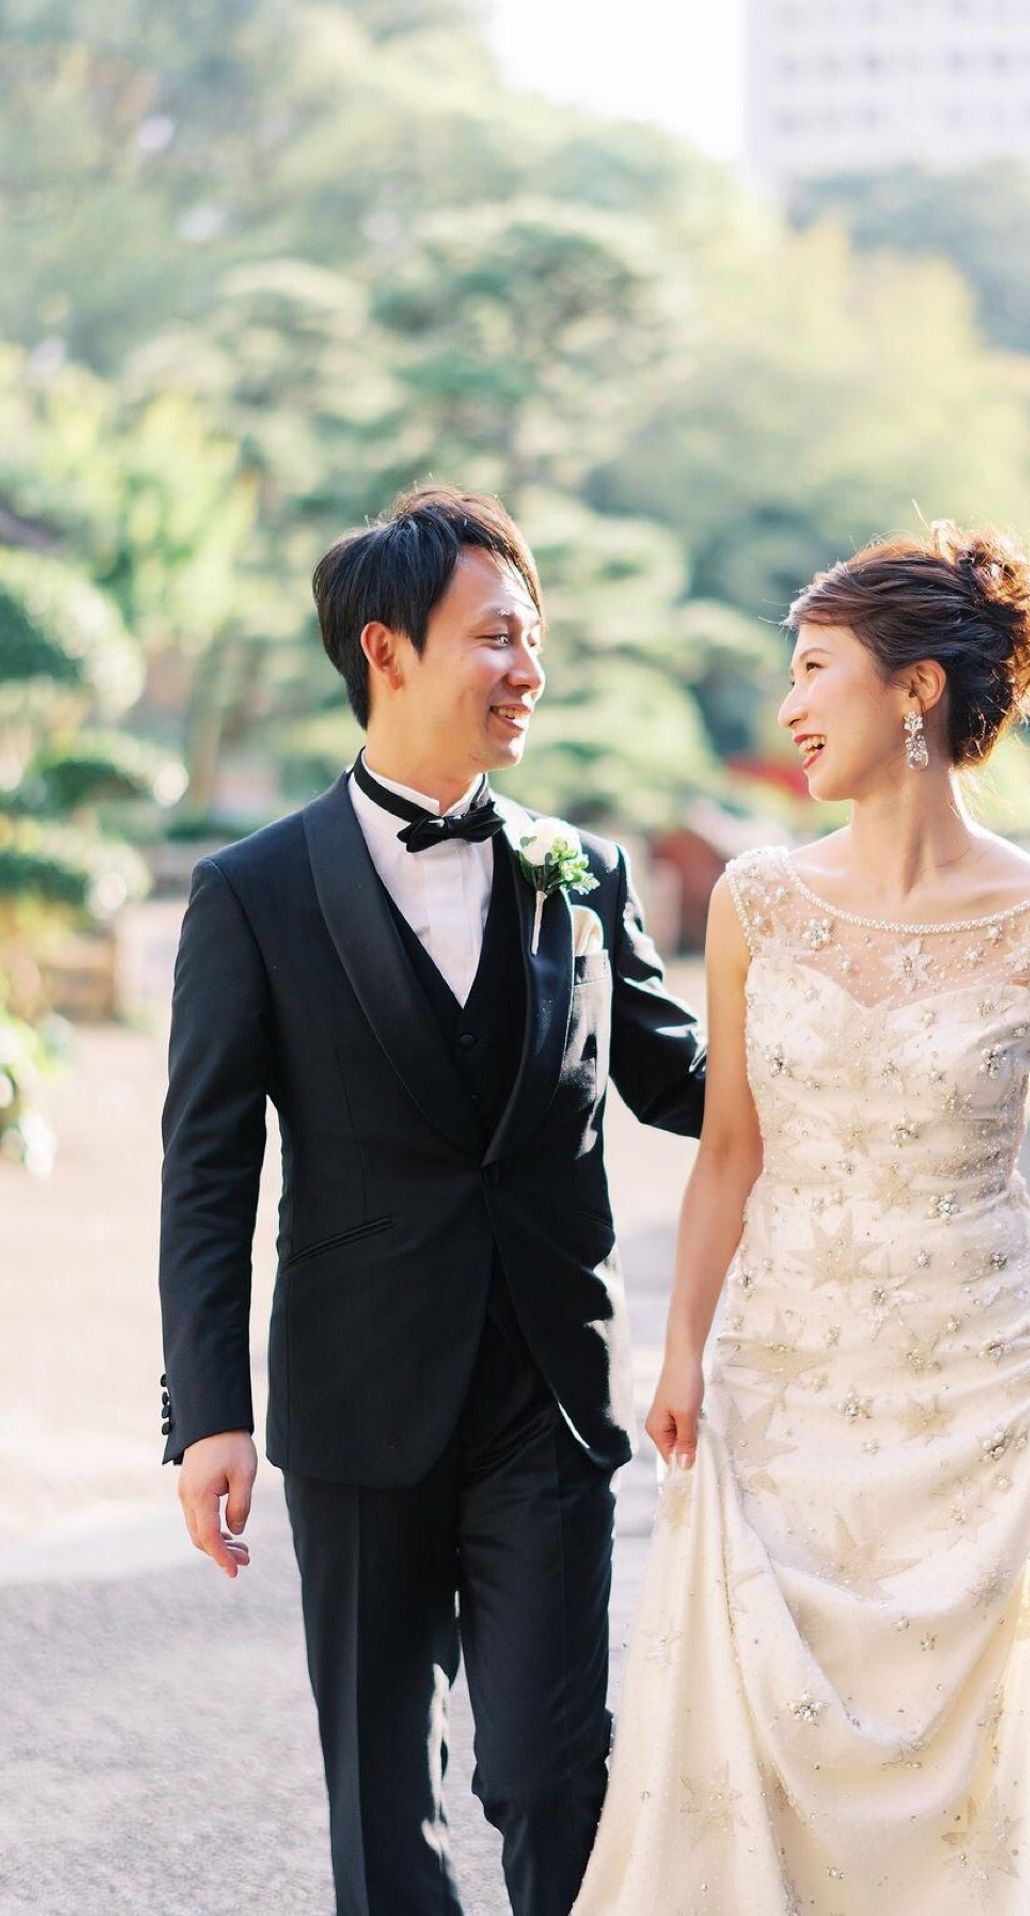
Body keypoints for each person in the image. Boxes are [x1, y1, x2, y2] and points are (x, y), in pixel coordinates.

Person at [157, 483, 705, 1916]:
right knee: (382, 1799)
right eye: (498, 638)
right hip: (357, 1400)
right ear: (386, 652)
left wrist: (870, 1022)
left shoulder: (583, 872)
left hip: (549, 1392)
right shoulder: (252, 893)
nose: (530, 671)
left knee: (551, 1770)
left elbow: (687, 1084)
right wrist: (209, 1413)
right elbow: (208, 1174)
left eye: (535, 640)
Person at [573, 521, 1030, 1915]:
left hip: (976, 1384)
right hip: (779, 1374)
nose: (791, 708)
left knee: (962, 1761)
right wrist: (682, 1346)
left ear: (916, 689)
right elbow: (728, 1153)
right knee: (753, 1727)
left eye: (816, 669)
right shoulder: (759, 901)